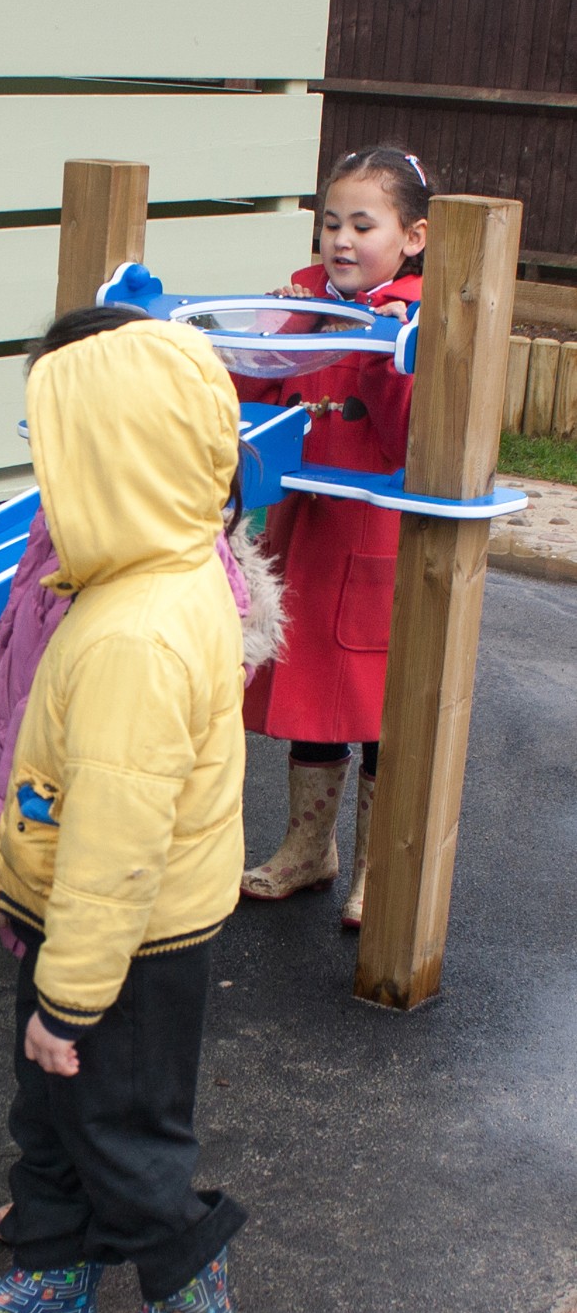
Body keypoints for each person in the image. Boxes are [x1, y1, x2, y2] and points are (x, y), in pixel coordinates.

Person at [0, 316, 250, 1313]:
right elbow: (65, 791)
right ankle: (51, 1276)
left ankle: (188, 1303)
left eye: (53, 458)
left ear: (112, 463)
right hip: (79, 930)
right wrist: (19, 885)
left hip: (124, 945)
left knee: (117, 1127)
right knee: (50, 1116)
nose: (43, 481)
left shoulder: (134, 634)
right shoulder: (139, 579)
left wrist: (66, 999)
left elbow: (115, 842)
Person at [235, 148, 431, 928]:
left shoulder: (424, 313)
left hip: (380, 535)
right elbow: (251, 392)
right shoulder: (305, 297)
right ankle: (308, 848)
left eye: (363, 224)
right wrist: (278, 330)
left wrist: (393, 354)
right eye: (330, 223)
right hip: (306, 530)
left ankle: (380, 871)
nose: (340, 240)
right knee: (312, 695)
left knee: (381, 705)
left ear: (412, 236)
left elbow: (419, 434)